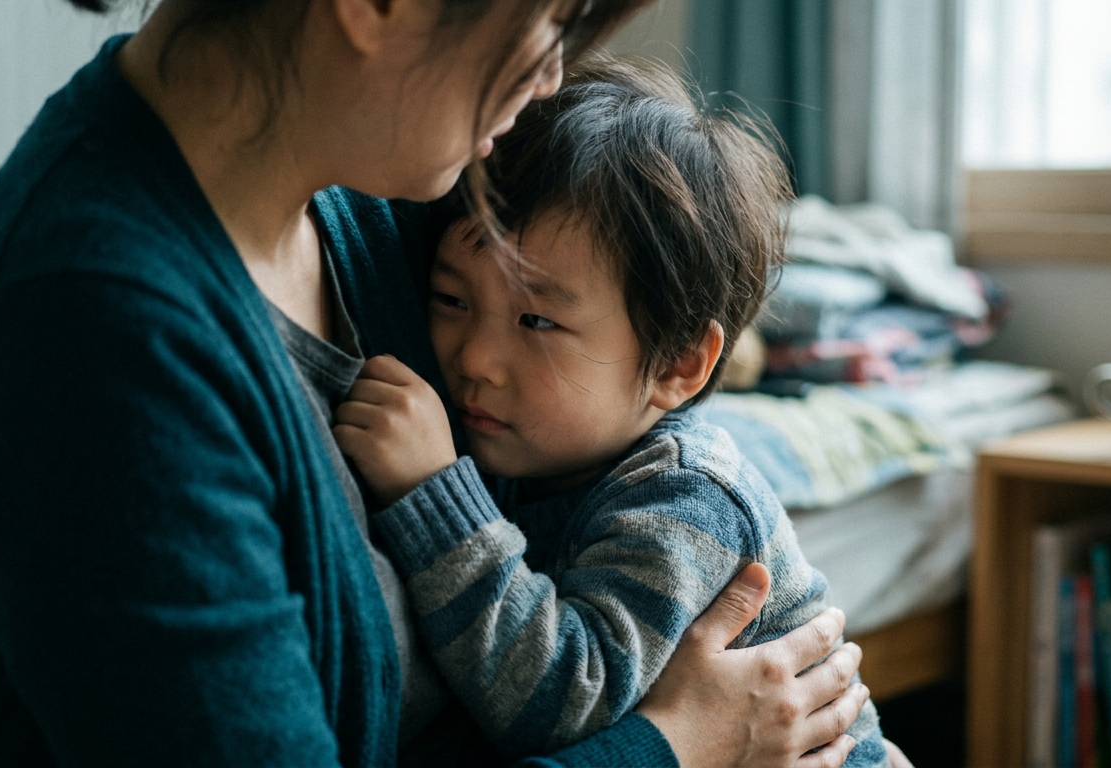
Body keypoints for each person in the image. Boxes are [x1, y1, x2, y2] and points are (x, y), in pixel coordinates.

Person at [0, 0, 876, 765]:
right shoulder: (91, 334)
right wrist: (677, 745)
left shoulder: (389, 199)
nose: (547, 78)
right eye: (546, 25)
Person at [332, 57, 891, 767]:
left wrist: (435, 499)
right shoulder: (550, 454)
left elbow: (564, 705)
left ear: (678, 364)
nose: (475, 359)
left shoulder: (684, 497)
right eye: (452, 300)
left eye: (536, 322)